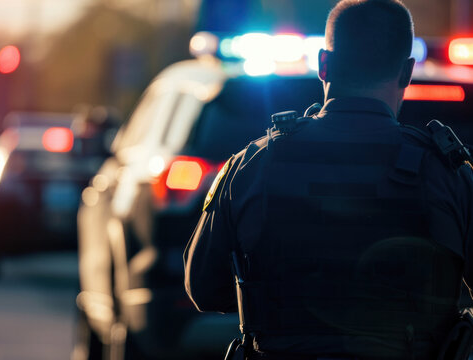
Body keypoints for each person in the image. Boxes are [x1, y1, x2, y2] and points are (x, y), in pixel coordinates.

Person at [183, 0, 473, 359]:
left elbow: (205, 290)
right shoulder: (447, 173)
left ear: (324, 64)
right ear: (407, 72)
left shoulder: (254, 164)